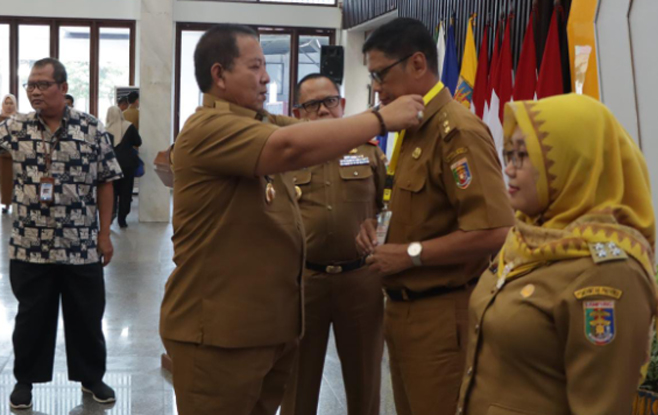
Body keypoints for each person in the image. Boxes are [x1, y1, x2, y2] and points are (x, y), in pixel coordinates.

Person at [159, 24, 423, 415]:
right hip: (218, 336)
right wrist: (381, 119)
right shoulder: (207, 128)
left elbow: (306, 131)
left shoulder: (256, 121)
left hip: (264, 331)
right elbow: (290, 146)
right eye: (255, 66)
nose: (267, 77)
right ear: (219, 74)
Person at [457, 94, 658, 415]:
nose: (509, 169)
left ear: (574, 164)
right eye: (508, 154)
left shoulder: (607, 273)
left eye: (524, 156)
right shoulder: (524, 239)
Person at [355, 18, 515, 415]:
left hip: (442, 316)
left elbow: (496, 231)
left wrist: (409, 253)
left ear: (418, 64)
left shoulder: (456, 131)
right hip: (404, 310)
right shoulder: (412, 127)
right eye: (371, 76)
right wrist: (378, 232)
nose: (376, 86)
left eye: (380, 73)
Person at [0, 58, 123, 409]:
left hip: (80, 245)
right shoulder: (14, 127)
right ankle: (25, 381)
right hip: (29, 246)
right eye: (30, 85)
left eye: (42, 84)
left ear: (63, 88)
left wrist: (104, 234)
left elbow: (106, 183)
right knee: (31, 319)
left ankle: (91, 378)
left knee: (86, 316)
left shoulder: (91, 128)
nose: (34, 91)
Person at [280, 74, 386, 415]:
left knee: (365, 379)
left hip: (360, 281)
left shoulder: (369, 153)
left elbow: (387, 208)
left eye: (330, 101)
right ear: (298, 113)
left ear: (341, 105)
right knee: (297, 382)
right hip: (304, 283)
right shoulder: (285, 158)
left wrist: (378, 228)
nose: (323, 110)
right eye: (312, 105)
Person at [106, 105, 142, 228]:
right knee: (126, 191)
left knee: (112, 192)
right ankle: (122, 219)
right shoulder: (129, 126)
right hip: (127, 165)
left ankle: (111, 215)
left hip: (111, 165)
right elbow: (138, 142)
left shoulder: (105, 129)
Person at [0, 94, 18, 213]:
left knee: (16, 179)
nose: (9, 106)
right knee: (4, 180)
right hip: (1, 154)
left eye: (11, 103)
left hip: (15, 154)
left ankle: (16, 203)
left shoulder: (18, 119)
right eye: (6, 103)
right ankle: (6, 203)